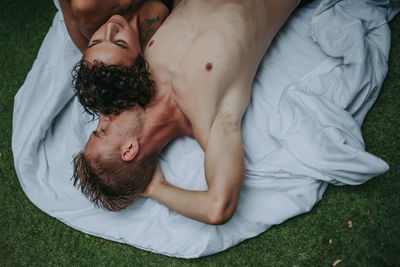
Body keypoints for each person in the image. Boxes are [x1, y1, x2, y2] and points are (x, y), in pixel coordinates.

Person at [71, 0, 302, 225]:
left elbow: (95, 39)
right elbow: (217, 208)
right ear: (130, 149)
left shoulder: (135, 74)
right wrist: (155, 188)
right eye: (102, 131)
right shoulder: (210, 122)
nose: (104, 117)